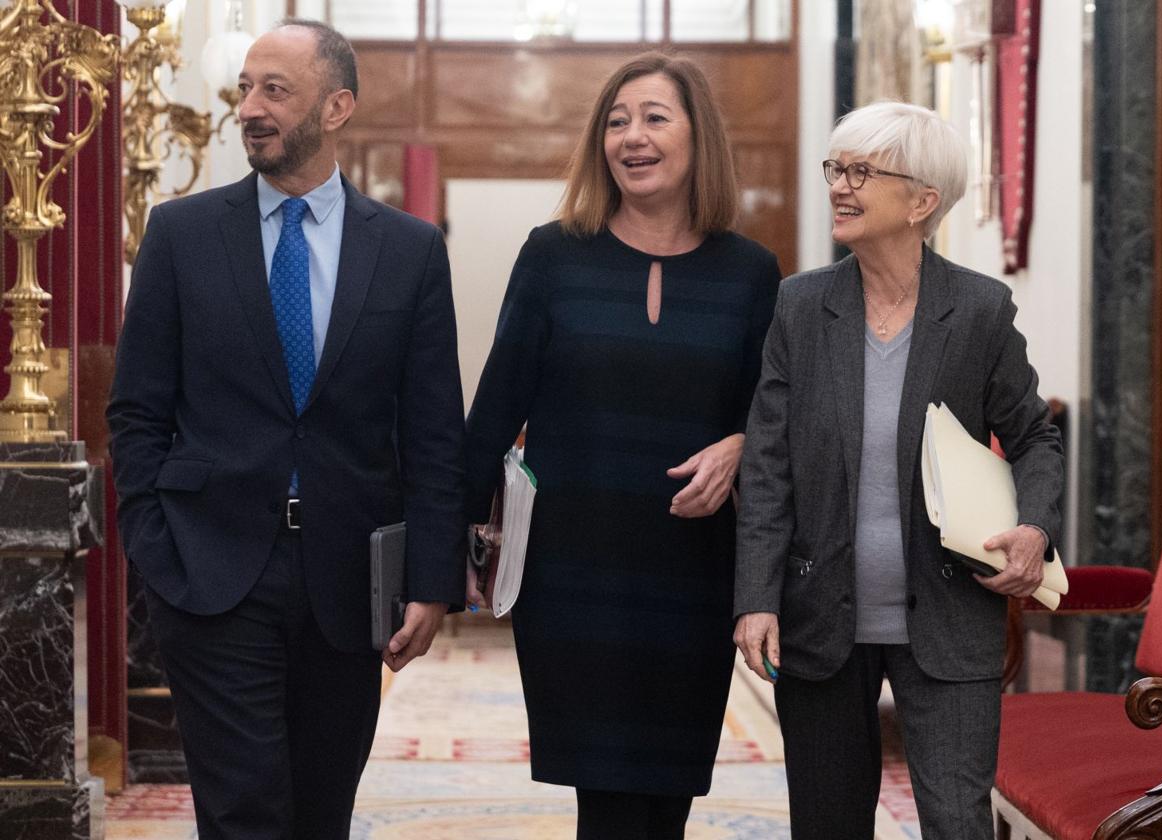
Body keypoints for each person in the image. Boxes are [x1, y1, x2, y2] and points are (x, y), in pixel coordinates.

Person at [107, 20, 465, 839]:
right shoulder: (180, 236)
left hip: (348, 582)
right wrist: (153, 545)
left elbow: (435, 430)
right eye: (244, 89)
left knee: (320, 813)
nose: (251, 109)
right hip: (210, 571)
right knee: (243, 813)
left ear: (336, 106)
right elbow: (136, 411)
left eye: (276, 90)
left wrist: (432, 580)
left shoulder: (408, 251)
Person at [463, 52, 780, 840]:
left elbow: (777, 419)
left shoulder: (751, 275)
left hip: (693, 575)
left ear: (696, 136)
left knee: (665, 801)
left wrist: (740, 444)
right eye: (615, 121)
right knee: (603, 803)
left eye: (653, 118)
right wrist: (439, 559)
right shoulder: (552, 256)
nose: (631, 138)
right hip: (573, 574)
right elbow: (495, 408)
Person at [733, 100, 1064, 840]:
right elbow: (767, 465)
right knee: (827, 825)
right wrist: (756, 597)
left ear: (922, 202)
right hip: (820, 619)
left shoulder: (979, 310)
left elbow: (1037, 439)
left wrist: (1035, 526)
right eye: (836, 169)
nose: (840, 187)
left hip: (949, 615)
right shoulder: (800, 305)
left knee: (955, 822)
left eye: (862, 172)